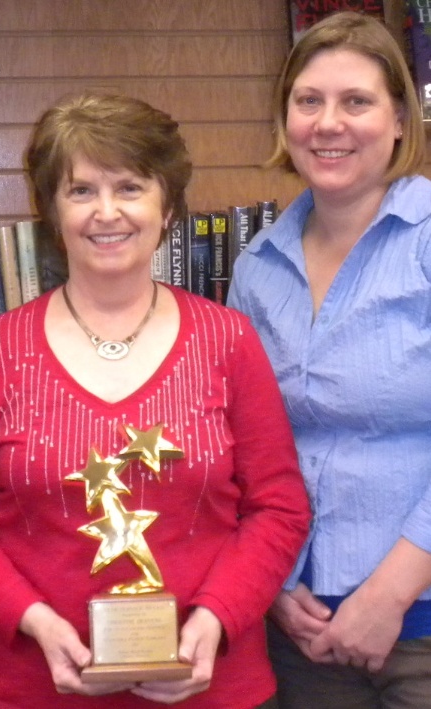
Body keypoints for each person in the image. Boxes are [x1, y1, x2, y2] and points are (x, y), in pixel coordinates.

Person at [0, 92, 311, 709]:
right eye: (80, 191)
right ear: (50, 209)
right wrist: (34, 620)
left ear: (168, 206)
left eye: (130, 187)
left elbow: (279, 508)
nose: (107, 213)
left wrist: (215, 621)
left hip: (215, 688)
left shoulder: (228, 340)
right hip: (29, 689)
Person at [226, 11, 431, 708]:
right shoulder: (256, 267)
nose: (328, 123)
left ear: (400, 119)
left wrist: (390, 592)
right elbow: (243, 444)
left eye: (357, 101)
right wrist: (273, 585)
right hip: (301, 631)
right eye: (308, 101)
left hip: (422, 626)